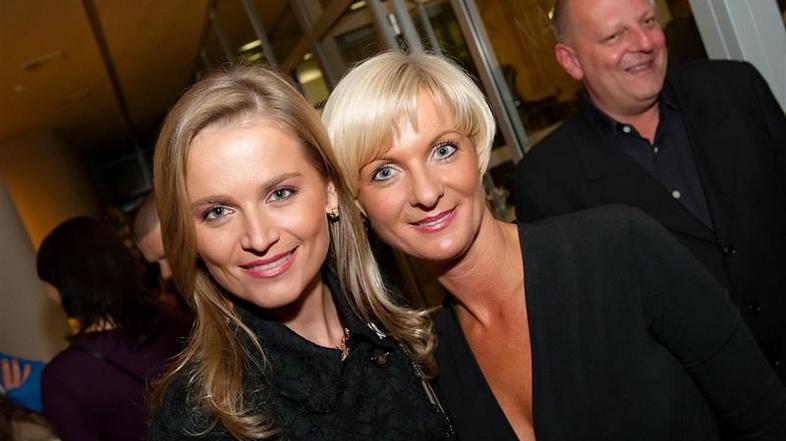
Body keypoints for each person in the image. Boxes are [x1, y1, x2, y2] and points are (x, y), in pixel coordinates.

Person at [321, 50, 786, 440]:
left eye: (443, 150)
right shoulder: (429, 364)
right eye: (385, 172)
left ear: (476, 151)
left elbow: (767, 418)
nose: (425, 192)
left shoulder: (618, 250)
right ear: (356, 202)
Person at [148, 65, 454, 441]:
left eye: (280, 194)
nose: (258, 237)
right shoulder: (195, 420)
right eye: (217, 212)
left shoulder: (397, 328)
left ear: (329, 191)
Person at [509, 0, 786, 383]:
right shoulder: (546, 184)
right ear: (571, 61)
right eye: (614, 35)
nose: (644, 42)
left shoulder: (736, 89)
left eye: (648, 21)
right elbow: (590, 338)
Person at [36, 216, 188, 441]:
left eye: (45, 280)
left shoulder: (62, 378)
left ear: (65, 285)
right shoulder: (176, 320)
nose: (45, 291)